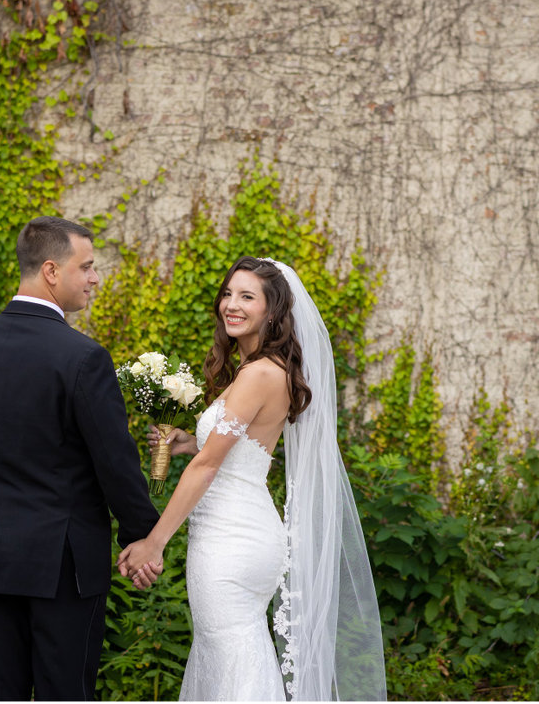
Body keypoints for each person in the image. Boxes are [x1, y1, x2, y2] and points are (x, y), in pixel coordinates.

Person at [118, 257, 386, 700]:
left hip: (231, 542)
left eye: (247, 297)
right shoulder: (263, 369)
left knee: (232, 658)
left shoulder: (259, 373)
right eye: (228, 293)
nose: (232, 305)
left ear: (273, 311)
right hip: (242, 532)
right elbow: (233, 451)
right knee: (231, 655)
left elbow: (208, 467)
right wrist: (191, 443)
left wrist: (155, 541)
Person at [0, 216, 161, 701]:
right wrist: (142, 536)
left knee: (0, 691)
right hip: (62, 563)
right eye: (86, 266)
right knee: (66, 691)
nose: (95, 277)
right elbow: (114, 461)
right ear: (50, 271)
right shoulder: (83, 357)